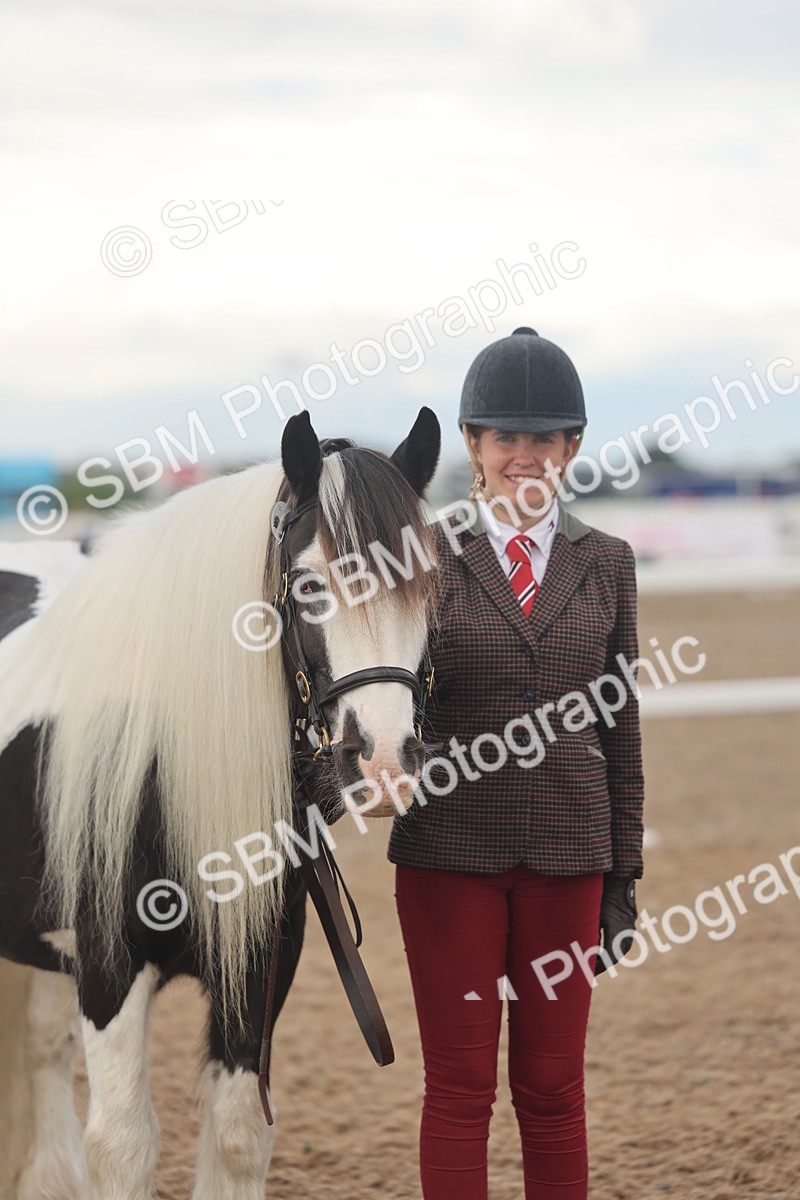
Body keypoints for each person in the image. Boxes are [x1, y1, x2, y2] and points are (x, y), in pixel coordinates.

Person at [387, 327, 644, 1200]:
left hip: (571, 860)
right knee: (459, 1091)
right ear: (472, 444)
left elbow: (621, 729)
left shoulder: (607, 564)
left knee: (553, 1091)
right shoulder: (421, 560)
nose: (525, 456)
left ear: (572, 446)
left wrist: (624, 874)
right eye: (506, 437)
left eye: (545, 438)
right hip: (448, 858)